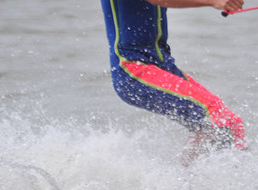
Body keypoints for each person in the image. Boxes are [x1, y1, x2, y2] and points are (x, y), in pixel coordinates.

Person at [100, 0, 247, 161]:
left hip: (162, 67)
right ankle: (195, 182)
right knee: (218, 118)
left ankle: (190, 182)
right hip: (133, 70)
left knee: (227, 122)